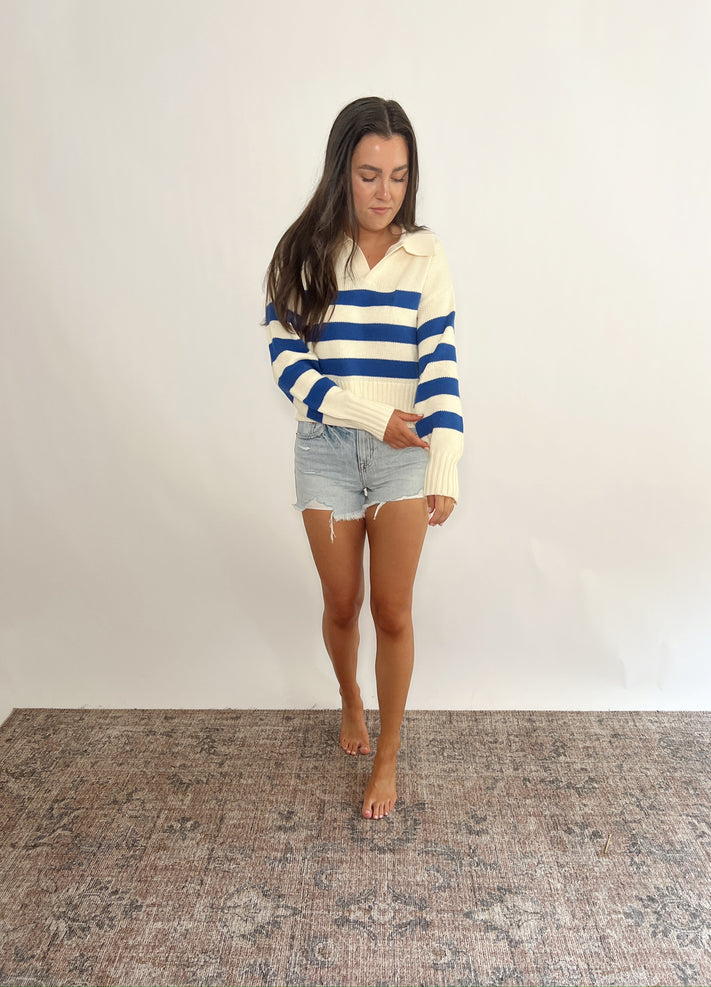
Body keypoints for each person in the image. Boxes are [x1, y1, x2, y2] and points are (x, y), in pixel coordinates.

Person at [264, 96, 463, 820]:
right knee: (343, 602)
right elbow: (292, 372)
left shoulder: (425, 257)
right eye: (370, 175)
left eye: (399, 177)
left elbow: (440, 362)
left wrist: (445, 460)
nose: (385, 194)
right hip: (327, 448)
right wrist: (372, 416)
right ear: (340, 172)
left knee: (393, 610)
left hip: (406, 448)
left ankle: (389, 754)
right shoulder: (301, 254)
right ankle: (350, 696)